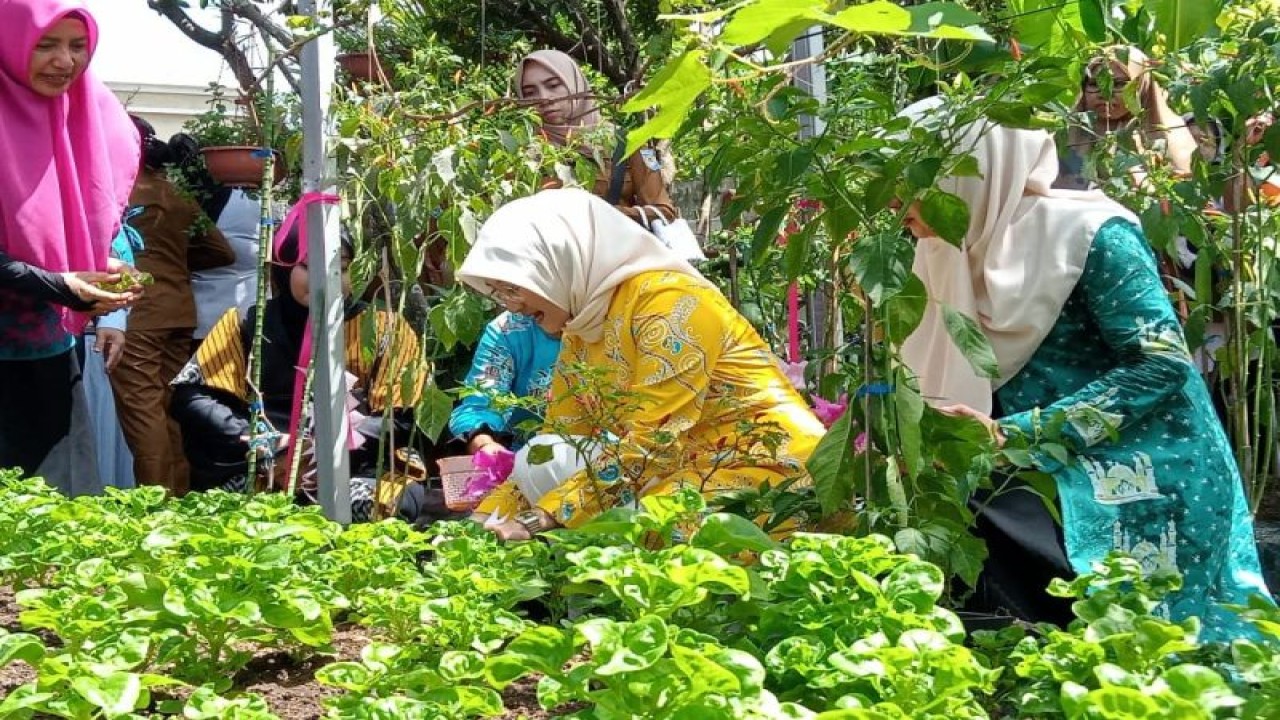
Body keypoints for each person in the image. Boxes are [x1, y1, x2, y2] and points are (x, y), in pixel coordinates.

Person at [897, 97, 1271, 639]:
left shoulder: (1088, 234)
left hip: (1141, 456)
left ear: (968, 175)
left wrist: (1016, 433)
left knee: (1146, 651)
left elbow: (1161, 364)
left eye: (910, 180)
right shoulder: (946, 247)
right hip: (1022, 464)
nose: (891, 202)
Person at [456, 189, 826, 541]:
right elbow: (562, 435)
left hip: (764, 474)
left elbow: (655, 441)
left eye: (514, 288)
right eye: (499, 293)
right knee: (546, 456)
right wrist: (482, 520)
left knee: (650, 526)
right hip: (681, 468)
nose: (511, 305)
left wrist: (542, 518)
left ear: (559, 260)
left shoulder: (669, 305)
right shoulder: (583, 325)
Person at [169, 221, 431, 522]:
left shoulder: (387, 328)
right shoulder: (246, 324)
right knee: (242, 512)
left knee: (363, 506)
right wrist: (267, 444)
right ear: (282, 268)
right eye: (309, 267)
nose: (330, 279)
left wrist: (321, 451)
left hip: (363, 464)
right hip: (264, 463)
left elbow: (402, 418)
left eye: (343, 268)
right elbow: (191, 396)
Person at [0, 0, 142, 492]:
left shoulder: (84, 116)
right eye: (46, 44)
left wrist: (98, 271)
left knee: (56, 514)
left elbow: (89, 224)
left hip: (47, 354)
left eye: (78, 46)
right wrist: (58, 281)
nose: (66, 61)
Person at [108, 117, 234, 495]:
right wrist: (174, 265)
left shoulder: (118, 192)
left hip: (138, 314)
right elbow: (220, 251)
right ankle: (177, 497)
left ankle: (154, 505)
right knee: (169, 409)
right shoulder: (174, 192)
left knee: (143, 410)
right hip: (179, 311)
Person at [516, 50, 679, 226]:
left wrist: (601, 213)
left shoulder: (629, 143)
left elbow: (664, 212)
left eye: (554, 85)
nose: (544, 98)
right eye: (530, 92)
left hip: (617, 251)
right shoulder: (520, 153)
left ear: (575, 84)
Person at [1058, 46, 1200, 191]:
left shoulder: (1170, 135)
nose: (1105, 93)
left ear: (1142, 86)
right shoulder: (1070, 132)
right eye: (1094, 84)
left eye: (1119, 84)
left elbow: (1186, 196)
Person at [448, 311, 561, 455]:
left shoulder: (598, 331)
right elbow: (480, 405)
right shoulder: (509, 328)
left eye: (515, 292)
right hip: (524, 459)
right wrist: (484, 444)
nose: (512, 304)